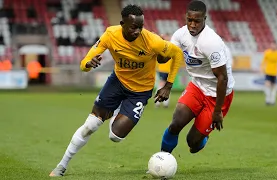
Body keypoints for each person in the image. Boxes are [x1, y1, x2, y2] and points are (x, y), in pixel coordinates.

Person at [49, 4, 184, 177]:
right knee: (90, 126)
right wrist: (88, 64)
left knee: (115, 136)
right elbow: (84, 64)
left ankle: (118, 109)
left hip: (140, 91)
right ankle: (62, 165)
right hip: (117, 82)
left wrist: (168, 85)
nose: (138, 31)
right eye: (134, 27)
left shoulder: (152, 41)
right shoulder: (110, 34)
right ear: (122, 24)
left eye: (141, 27)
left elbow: (177, 53)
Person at [159, 0, 235, 154]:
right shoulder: (180, 35)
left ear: (204, 20)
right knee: (176, 123)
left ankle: (202, 136)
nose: (192, 25)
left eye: (197, 21)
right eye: (190, 20)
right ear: (186, 18)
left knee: (192, 143)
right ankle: (162, 159)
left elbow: (222, 78)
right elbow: (164, 59)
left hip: (217, 94)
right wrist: (159, 48)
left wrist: (218, 111)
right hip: (197, 86)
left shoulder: (211, 42)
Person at [156, 33, 172, 108]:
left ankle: (165, 102)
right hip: (163, 69)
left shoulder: (171, 46)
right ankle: (159, 101)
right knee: (162, 84)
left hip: (169, 70)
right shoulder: (162, 45)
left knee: (167, 85)